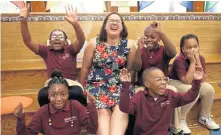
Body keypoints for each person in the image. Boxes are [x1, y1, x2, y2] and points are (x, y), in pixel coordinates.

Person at [79, 12, 136, 135]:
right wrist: (83, 89)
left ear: (122, 26)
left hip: (120, 86)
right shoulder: (93, 43)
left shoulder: (130, 44)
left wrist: (127, 85)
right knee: (103, 112)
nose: (114, 23)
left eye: (117, 21)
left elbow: (131, 70)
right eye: (110, 20)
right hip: (96, 86)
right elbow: (84, 68)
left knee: (121, 110)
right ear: (105, 26)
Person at [119, 67, 203, 135]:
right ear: (147, 84)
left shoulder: (170, 95)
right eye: (158, 80)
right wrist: (125, 86)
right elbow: (125, 108)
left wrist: (197, 81)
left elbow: (189, 97)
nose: (163, 82)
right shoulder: (139, 97)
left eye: (164, 79)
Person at [132, 22, 181, 134]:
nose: (149, 39)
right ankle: (142, 129)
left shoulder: (163, 50)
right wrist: (139, 49)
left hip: (162, 85)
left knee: (173, 92)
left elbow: (173, 52)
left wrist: (161, 33)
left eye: (153, 37)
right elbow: (135, 67)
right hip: (143, 86)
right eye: (146, 36)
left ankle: (175, 128)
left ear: (159, 38)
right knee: (136, 95)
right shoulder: (141, 50)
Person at [13, 70, 98, 135]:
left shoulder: (76, 106)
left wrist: (91, 106)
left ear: (68, 94)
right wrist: (20, 119)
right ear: (48, 96)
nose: (58, 99)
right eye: (54, 95)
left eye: (63, 94)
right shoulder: (42, 112)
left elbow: (92, 129)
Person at [169, 34, 220, 134]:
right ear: (183, 49)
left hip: (190, 82)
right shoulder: (179, 60)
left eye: (195, 46)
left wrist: (198, 61)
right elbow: (186, 81)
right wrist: (193, 62)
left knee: (209, 88)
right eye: (189, 47)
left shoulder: (201, 58)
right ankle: (181, 120)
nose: (193, 50)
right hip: (174, 82)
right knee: (192, 91)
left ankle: (204, 117)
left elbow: (203, 79)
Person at [19, 3, 85, 81]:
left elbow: (81, 40)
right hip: (53, 83)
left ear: (66, 42)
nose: (57, 38)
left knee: (77, 92)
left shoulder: (71, 49)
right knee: (42, 93)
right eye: (54, 36)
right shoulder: (46, 51)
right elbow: (28, 41)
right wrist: (23, 20)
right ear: (49, 42)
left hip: (71, 83)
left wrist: (75, 24)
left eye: (60, 36)